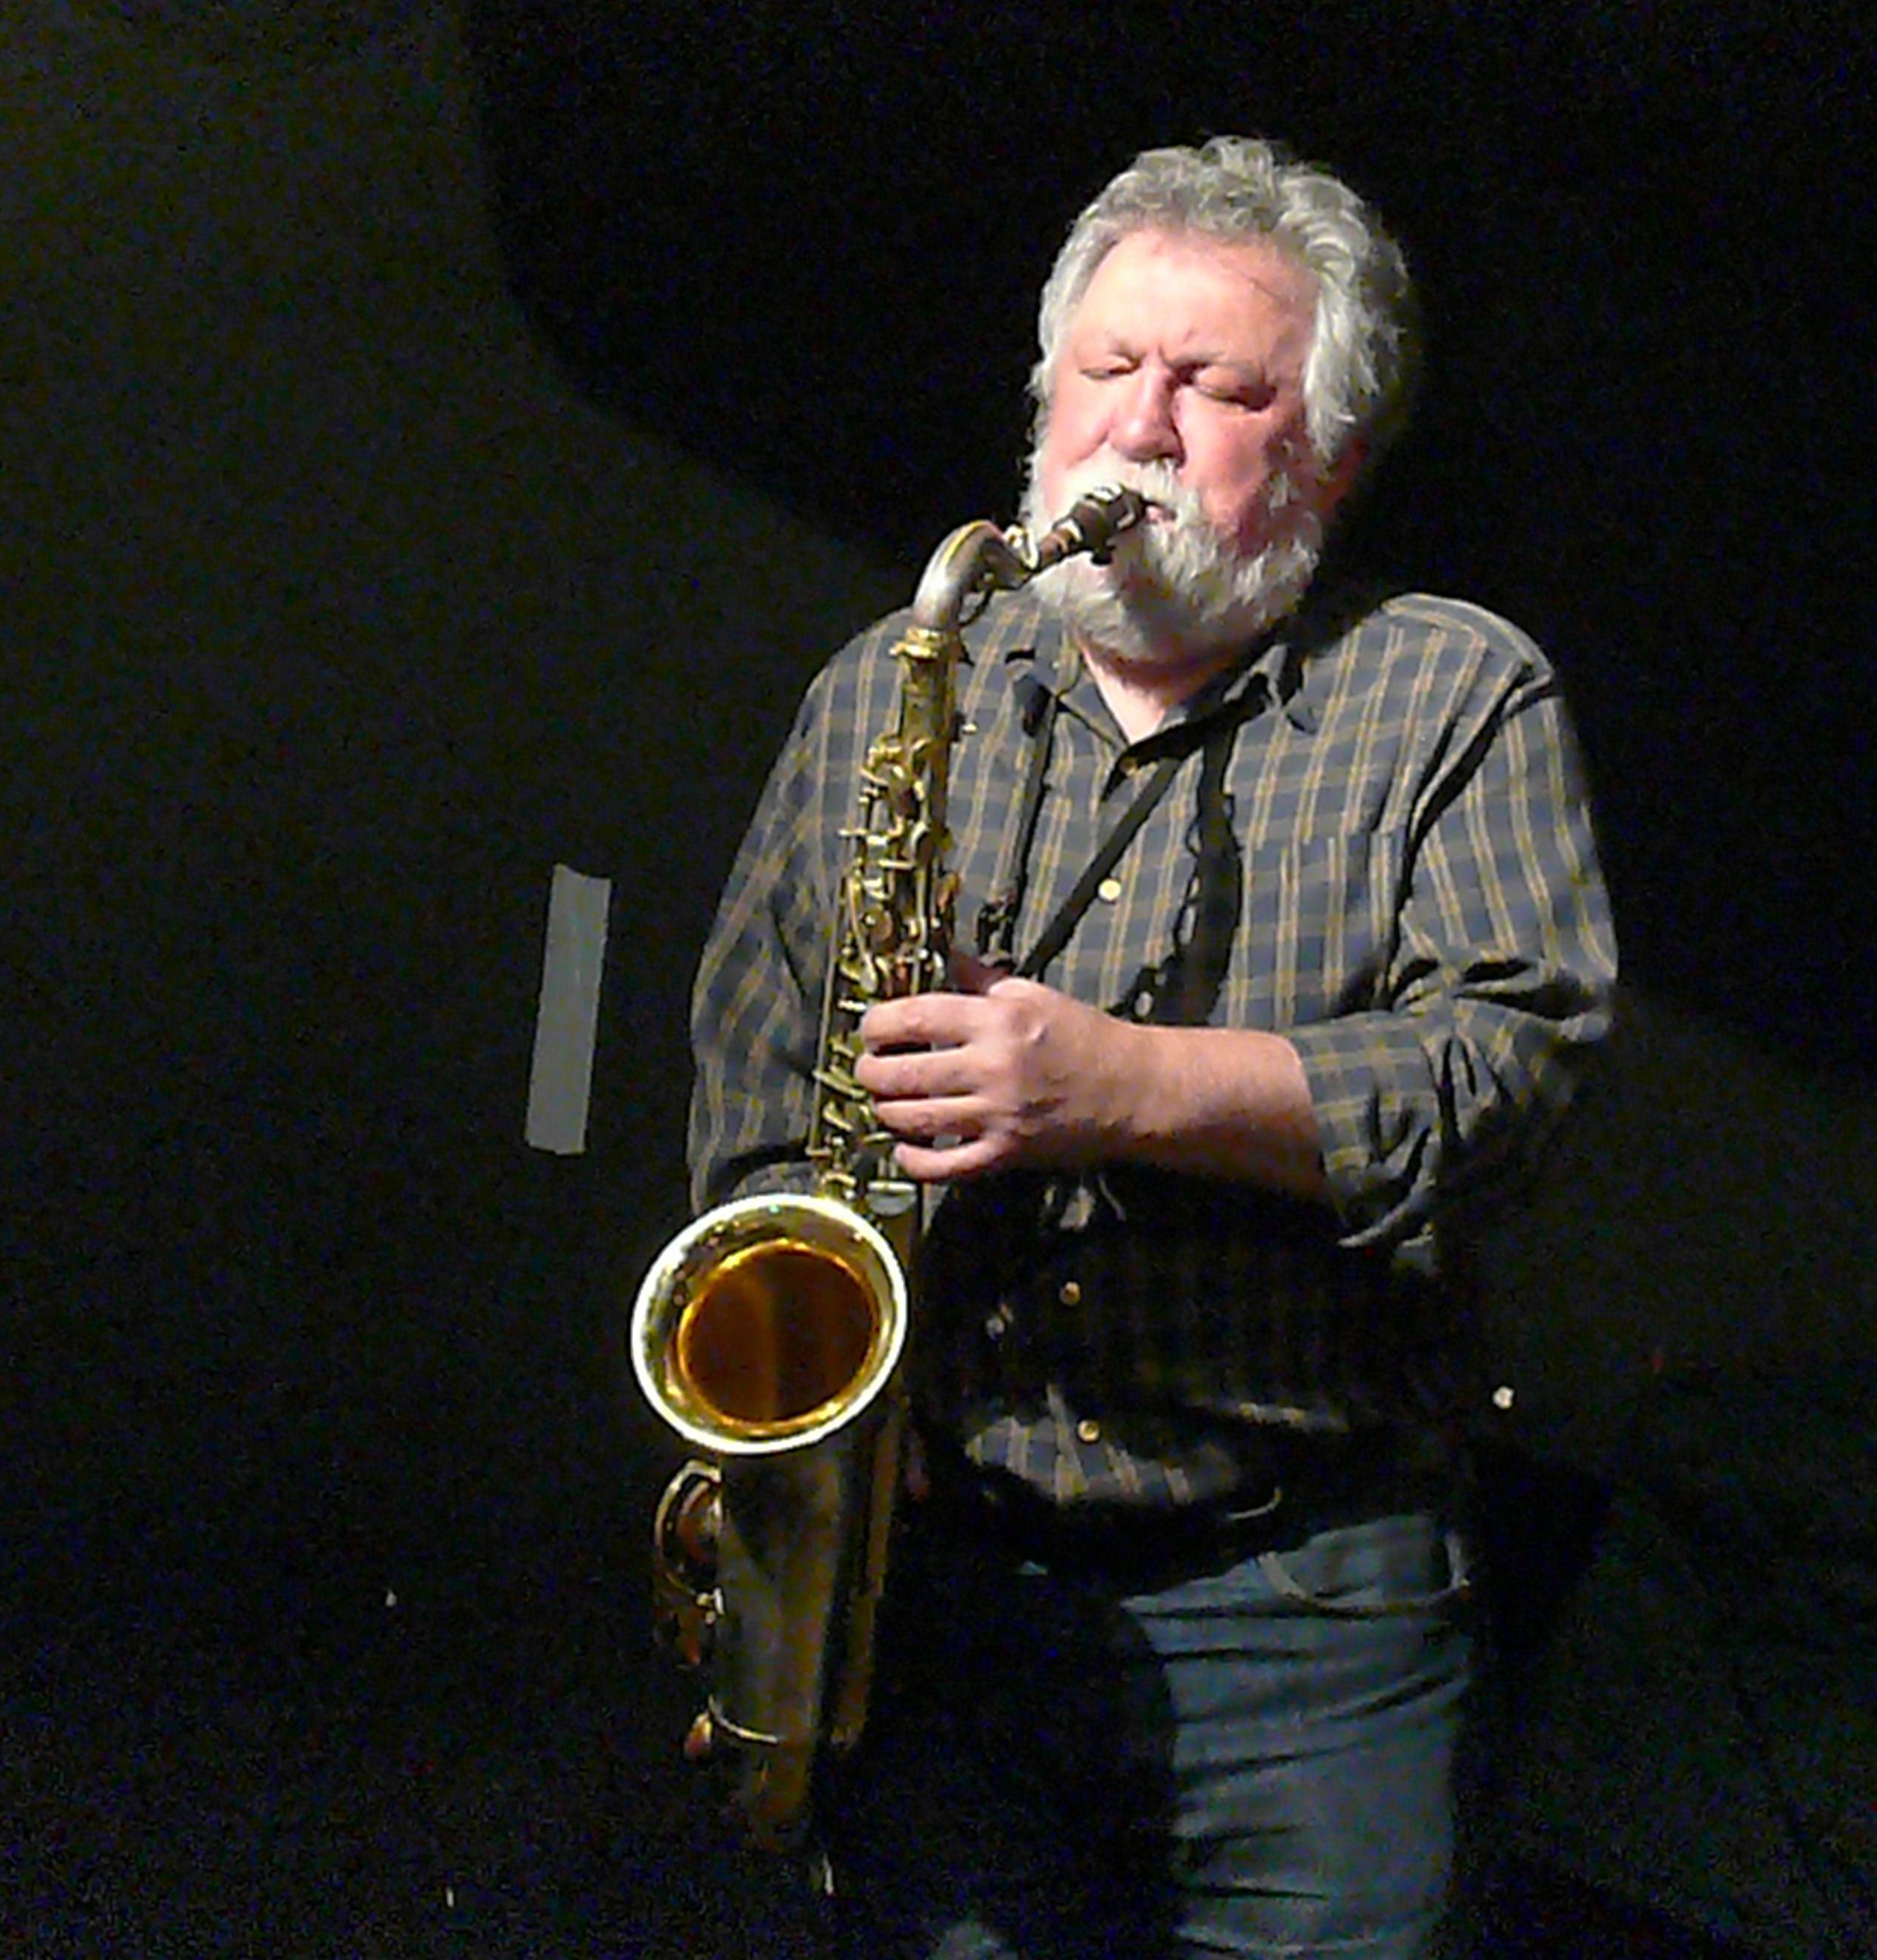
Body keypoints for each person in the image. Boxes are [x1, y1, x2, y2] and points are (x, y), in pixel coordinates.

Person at [686, 134, 1616, 1960]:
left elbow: (1508, 1075)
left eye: (1216, 385)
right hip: (938, 1585)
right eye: (1106, 371)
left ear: (1327, 459)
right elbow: (750, 1083)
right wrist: (807, 1427)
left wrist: (1119, 1088)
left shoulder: (1450, 687)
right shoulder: (893, 682)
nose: (1139, 425)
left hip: (1308, 1607)